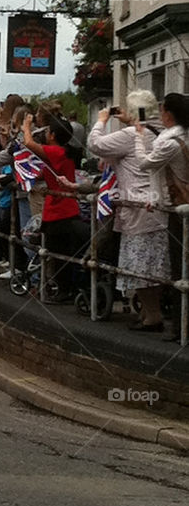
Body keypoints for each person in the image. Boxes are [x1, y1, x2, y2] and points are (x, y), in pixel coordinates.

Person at [87, 92, 168, 332]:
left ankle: (152, 316)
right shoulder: (162, 131)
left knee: (140, 264)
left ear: (134, 112)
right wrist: (131, 120)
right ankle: (149, 312)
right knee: (157, 265)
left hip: (138, 208)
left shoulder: (130, 135)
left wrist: (102, 120)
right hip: (160, 205)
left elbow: (95, 145)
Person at [135, 92, 189, 339]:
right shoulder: (183, 135)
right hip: (181, 205)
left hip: (178, 209)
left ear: (168, 113)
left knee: (180, 271)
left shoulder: (168, 143)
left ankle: (181, 329)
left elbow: (144, 164)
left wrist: (138, 137)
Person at [21, 111, 87, 300]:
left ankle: (63, 289)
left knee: (59, 253)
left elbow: (29, 144)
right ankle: (62, 286)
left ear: (53, 136)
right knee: (60, 252)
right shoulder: (62, 154)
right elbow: (46, 173)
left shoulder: (56, 151)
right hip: (64, 209)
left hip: (59, 211)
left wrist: (26, 126)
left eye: (49, 131)